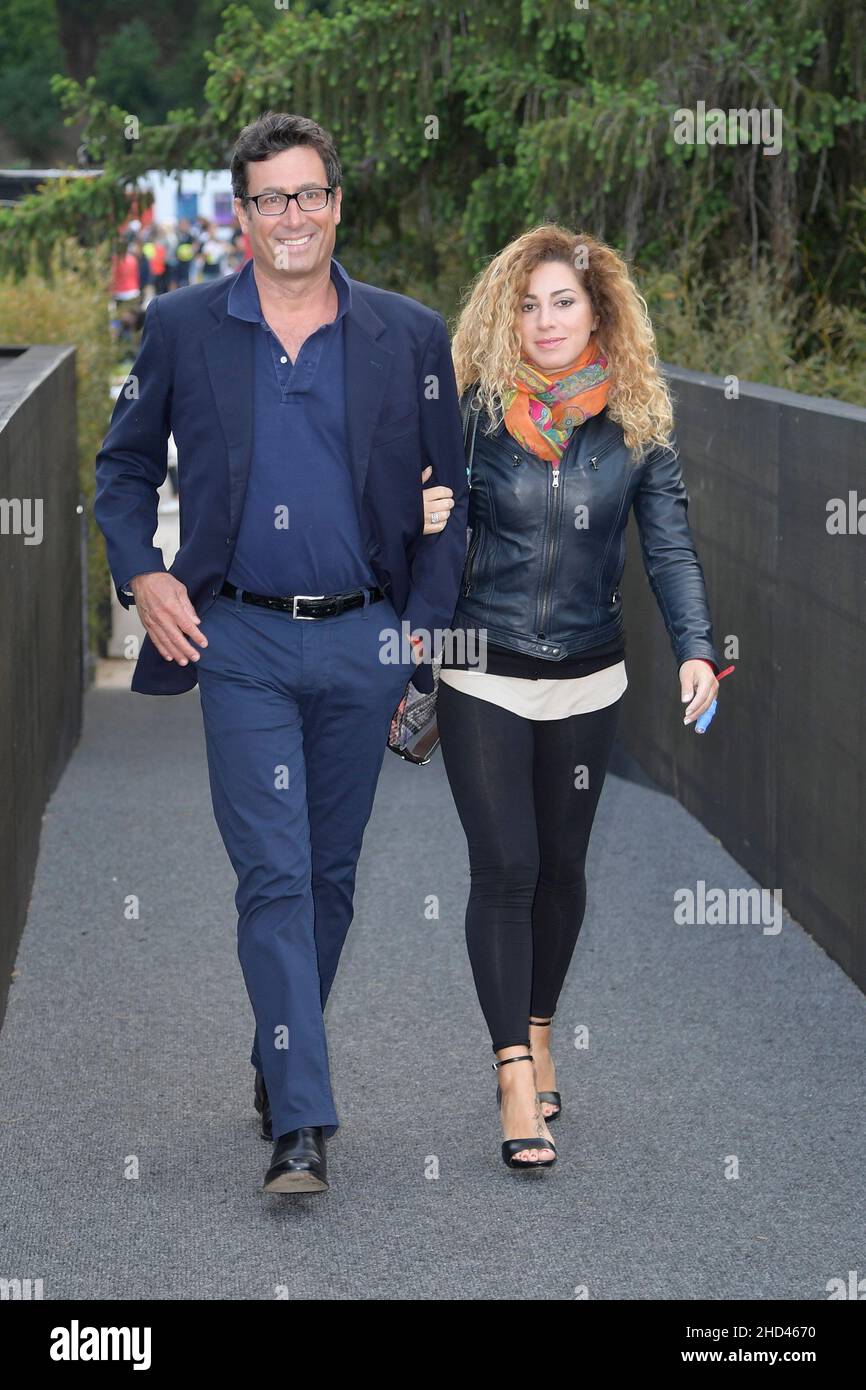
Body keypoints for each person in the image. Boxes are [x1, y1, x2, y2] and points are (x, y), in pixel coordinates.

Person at [93, 111, 469, 1196]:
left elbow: (455, 503)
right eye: (269, 198)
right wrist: (144, 571)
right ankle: (300, 1123)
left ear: (335, 204)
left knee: (330, 876)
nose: (291, 216)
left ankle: (277, 1051)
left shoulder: (408, 336)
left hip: (365, 636)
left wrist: (417, 644)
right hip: (241, 636)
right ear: (242, 214)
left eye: (308, 195)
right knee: (272, 873)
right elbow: (120, 472)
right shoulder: (179, 327)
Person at [435, 225, 721, 1171]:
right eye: (528, 303)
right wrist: (420, 512)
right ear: (504, 314)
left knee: (562, 868)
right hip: (482, 664)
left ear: (598, 311)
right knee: (505, 866)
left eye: (563, 301)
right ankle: (515, 1075)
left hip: (590, 673)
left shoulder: (638, 418)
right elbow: (426, 532)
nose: (546, 319)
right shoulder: (474, 412)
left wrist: (697, 651)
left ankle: (542, 1023)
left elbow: (669, 546)